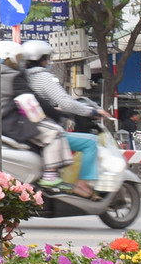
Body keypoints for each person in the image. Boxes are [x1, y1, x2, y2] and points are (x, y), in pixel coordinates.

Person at [0, 41, 74, 190]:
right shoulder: (11, 76)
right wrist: (57, 114)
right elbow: (33, 101)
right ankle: (50, 176)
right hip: (7, 123)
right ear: (8, 58)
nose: (20, 63)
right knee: (54, 132)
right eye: (17, 58)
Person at [21, 39, 112, 192]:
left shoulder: (23, 77)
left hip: (26, 126)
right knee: (91, 141)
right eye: (47, 58)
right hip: (44, 128)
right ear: (42, 59)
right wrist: (93, 112)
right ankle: (82, 185)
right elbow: (67, 102)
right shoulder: (43, 77)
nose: (48, 61)